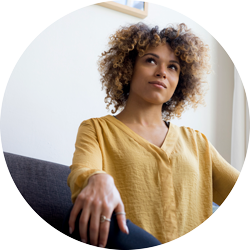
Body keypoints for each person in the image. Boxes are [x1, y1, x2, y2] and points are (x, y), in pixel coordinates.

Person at [63, 22, 240, 249]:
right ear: (129, 67)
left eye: (173, 67)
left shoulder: (197, 142)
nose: (162, 72)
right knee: (85, 215)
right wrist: (98, 178)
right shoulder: (97, 129)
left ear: (180, 81)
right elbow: (82, 171)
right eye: (151, 60)